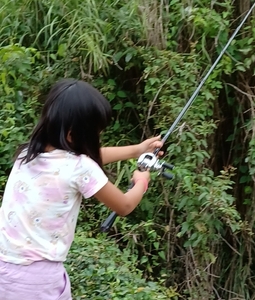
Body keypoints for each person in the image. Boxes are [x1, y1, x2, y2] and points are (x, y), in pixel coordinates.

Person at [0, 78, 163, 300]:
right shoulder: (80, 167)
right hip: (38, 279)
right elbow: (124, 205)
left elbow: (83, 160)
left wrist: (137, 150)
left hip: (6, 270)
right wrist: (141, 181)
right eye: (95, 133)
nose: (98, 138)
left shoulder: (27, 153)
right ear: (71, 134)